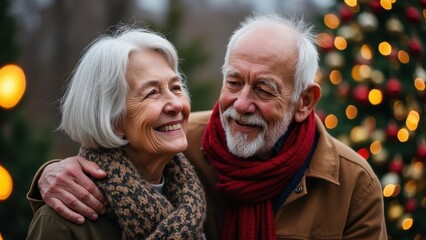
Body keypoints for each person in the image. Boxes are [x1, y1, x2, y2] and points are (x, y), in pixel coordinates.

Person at [27, 13, 388, 239]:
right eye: (233, 82)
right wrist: (51, 172)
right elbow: (117, 156)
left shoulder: (352, 185)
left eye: (263, 89)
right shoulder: (185, 144)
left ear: (305, 102)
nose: (241, 104)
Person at [26, 26, 206, 239]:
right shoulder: (63, 223)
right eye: (152, 93)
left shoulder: (195, 197)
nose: (175, 104)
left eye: (176, 88)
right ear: (112, 120)